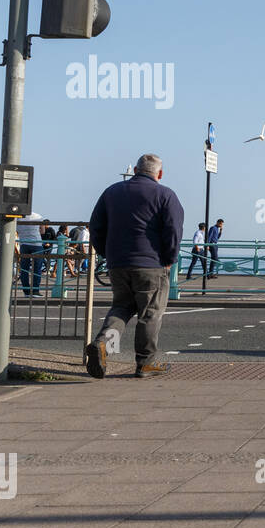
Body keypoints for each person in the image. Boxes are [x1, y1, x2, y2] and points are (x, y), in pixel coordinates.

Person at [85, 153, 185, 378]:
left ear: (136, 170)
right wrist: (169, 258)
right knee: (150, 313)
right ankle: (145, 364)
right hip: (151, 264)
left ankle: (103, 346)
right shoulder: (165, 194)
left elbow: (96, 225)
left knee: (121, 308)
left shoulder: (112, 192)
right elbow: (173, 230)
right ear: (159, 173)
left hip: (118, 263)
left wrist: (105, 252)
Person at [17, 212, 45, 295]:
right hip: (37, 244)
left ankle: (26, 291)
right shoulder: (38, 216)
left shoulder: (18, 217)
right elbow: (43, 231)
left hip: (24, 244)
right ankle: (35, 291)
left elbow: (15, 230)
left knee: (24, 269)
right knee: (37, 268)